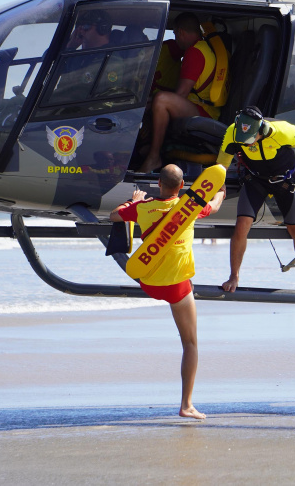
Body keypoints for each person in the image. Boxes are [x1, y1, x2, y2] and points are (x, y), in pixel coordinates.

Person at [110, 164, 226, 419]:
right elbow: (215, 206)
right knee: (190, 343)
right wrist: (219, 192)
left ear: (159, 185)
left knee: (163, 278)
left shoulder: (143, 208)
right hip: (176, 288)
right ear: (182, 186)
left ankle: (187, 404)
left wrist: (134, 200)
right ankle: (186, 405)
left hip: (149, 282)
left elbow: (113, 216)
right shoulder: (190, 207)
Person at [215, 106, 295, 297]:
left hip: (285, 182)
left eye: (249, 141)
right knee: (241, 225)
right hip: (255, 180)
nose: (246, 145)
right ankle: (234, 277)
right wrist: (218, 182)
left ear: (261, 130)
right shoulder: (234, 131)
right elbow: (222, 162)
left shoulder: (283, 131)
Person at [138, 12, 220, 173]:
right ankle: (146, 150)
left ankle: (154, 157)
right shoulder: (202, 47)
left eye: (175, 34)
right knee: (154, 101)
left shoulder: (194, 52)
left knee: (161, 100)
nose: (175, 38)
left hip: (204, 111)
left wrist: (153, 101)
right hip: (199, 106)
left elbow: (181, 94)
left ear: (180, 32)